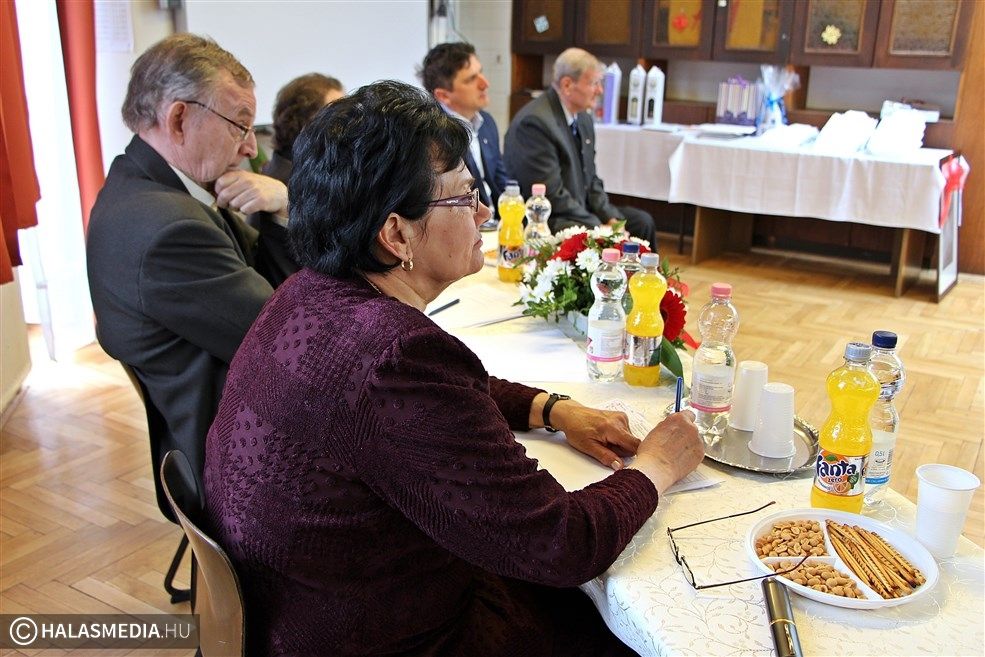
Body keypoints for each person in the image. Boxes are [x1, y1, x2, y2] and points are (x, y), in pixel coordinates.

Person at [204, 80, 703, 656]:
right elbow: (560, 544)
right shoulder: (396, 356)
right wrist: (656, 467)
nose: (485, 213)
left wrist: (551, 409)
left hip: (297, 608)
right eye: (466, 197)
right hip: (380, 636)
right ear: (397, 234)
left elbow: (441, 394)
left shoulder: (305, 292)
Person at [86, 34, 294, 518]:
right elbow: (286, 339)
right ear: (179, 119)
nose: (250, 148)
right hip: (242, 464)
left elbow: (270, 291)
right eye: (240, 125)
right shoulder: (168, 227)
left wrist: (280, 211)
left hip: (217, 428)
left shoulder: (144, 188)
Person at [504, 48, 657, 245]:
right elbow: (551, 195)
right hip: (552, 218)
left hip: (580, 211)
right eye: (594, 83)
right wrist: (598, 226)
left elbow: (591, 179)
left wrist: (610, 218)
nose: (600, 90)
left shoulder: (583, 117)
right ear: (567, 85)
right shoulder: (536, 123)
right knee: (603, 235)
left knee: (642, 223)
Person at [251, 73, 345, 285]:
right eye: (338, 116)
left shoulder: (285, 170)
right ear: (305, 125)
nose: (348, 124)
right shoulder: (294, 185)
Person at [420, 42, 508, 231]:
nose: (485, 84)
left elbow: (502, 183)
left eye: (481, 72)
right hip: (466, 231)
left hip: (498, 227)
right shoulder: (433, 137)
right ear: (443, 96)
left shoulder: (487, 123)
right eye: (471, 79)